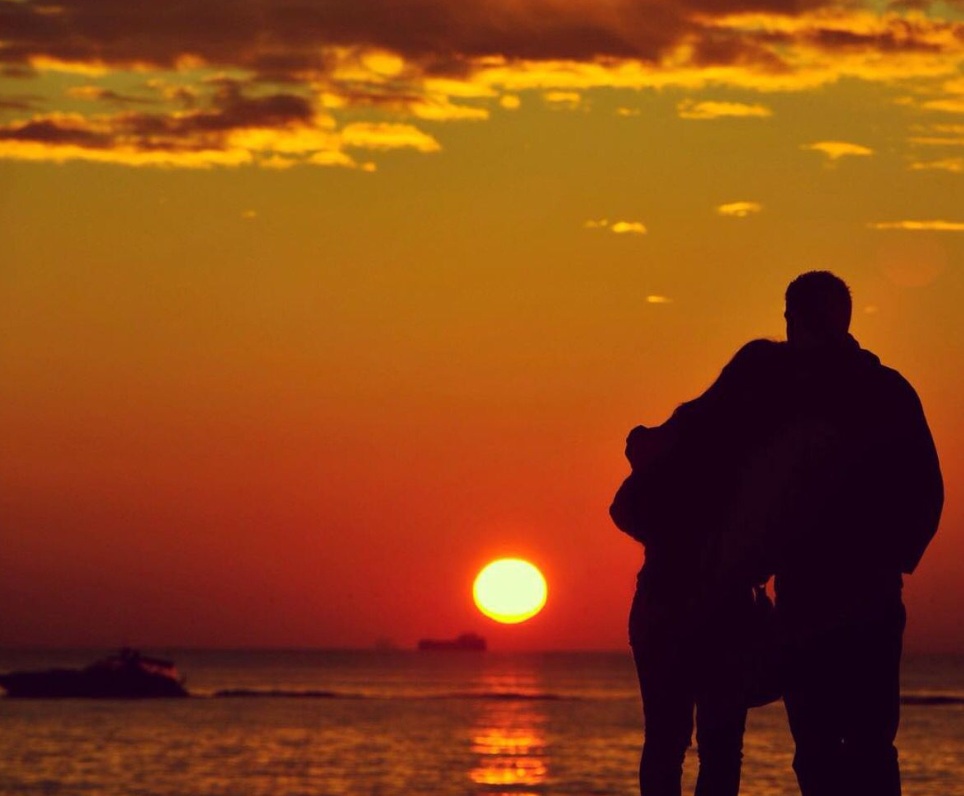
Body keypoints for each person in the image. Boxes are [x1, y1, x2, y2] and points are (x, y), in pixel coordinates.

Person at [768, 271, 944, 796]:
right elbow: (927, 492)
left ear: (791, 320)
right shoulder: (888, 390)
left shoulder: (786, 397)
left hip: (823, 597)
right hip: (858, 595)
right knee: (863, 748)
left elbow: (925, 492)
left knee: (827, 749)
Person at [611, 337, 788, 796]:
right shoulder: (759, 450)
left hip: (664, 604)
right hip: (720, 612)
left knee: (666, 745)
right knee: (720, 748)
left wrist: (669, 541)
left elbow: (624, 508)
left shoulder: (687, 429)